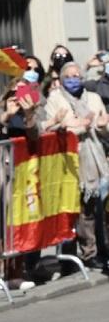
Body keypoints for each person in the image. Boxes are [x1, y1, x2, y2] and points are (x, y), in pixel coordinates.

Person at [44, 61, 109, 267]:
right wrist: (79, 126)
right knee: (75, 210)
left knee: (92, 209)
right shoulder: (54, 99)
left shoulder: (94, 98)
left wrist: (101, 127)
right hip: (69, 160)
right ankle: (76, 256)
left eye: (77, 76)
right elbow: (53, 129)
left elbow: (103, 127)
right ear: (62, 80)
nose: (74, 80)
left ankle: (94, 252)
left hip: (95, 158)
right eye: (69, 76)